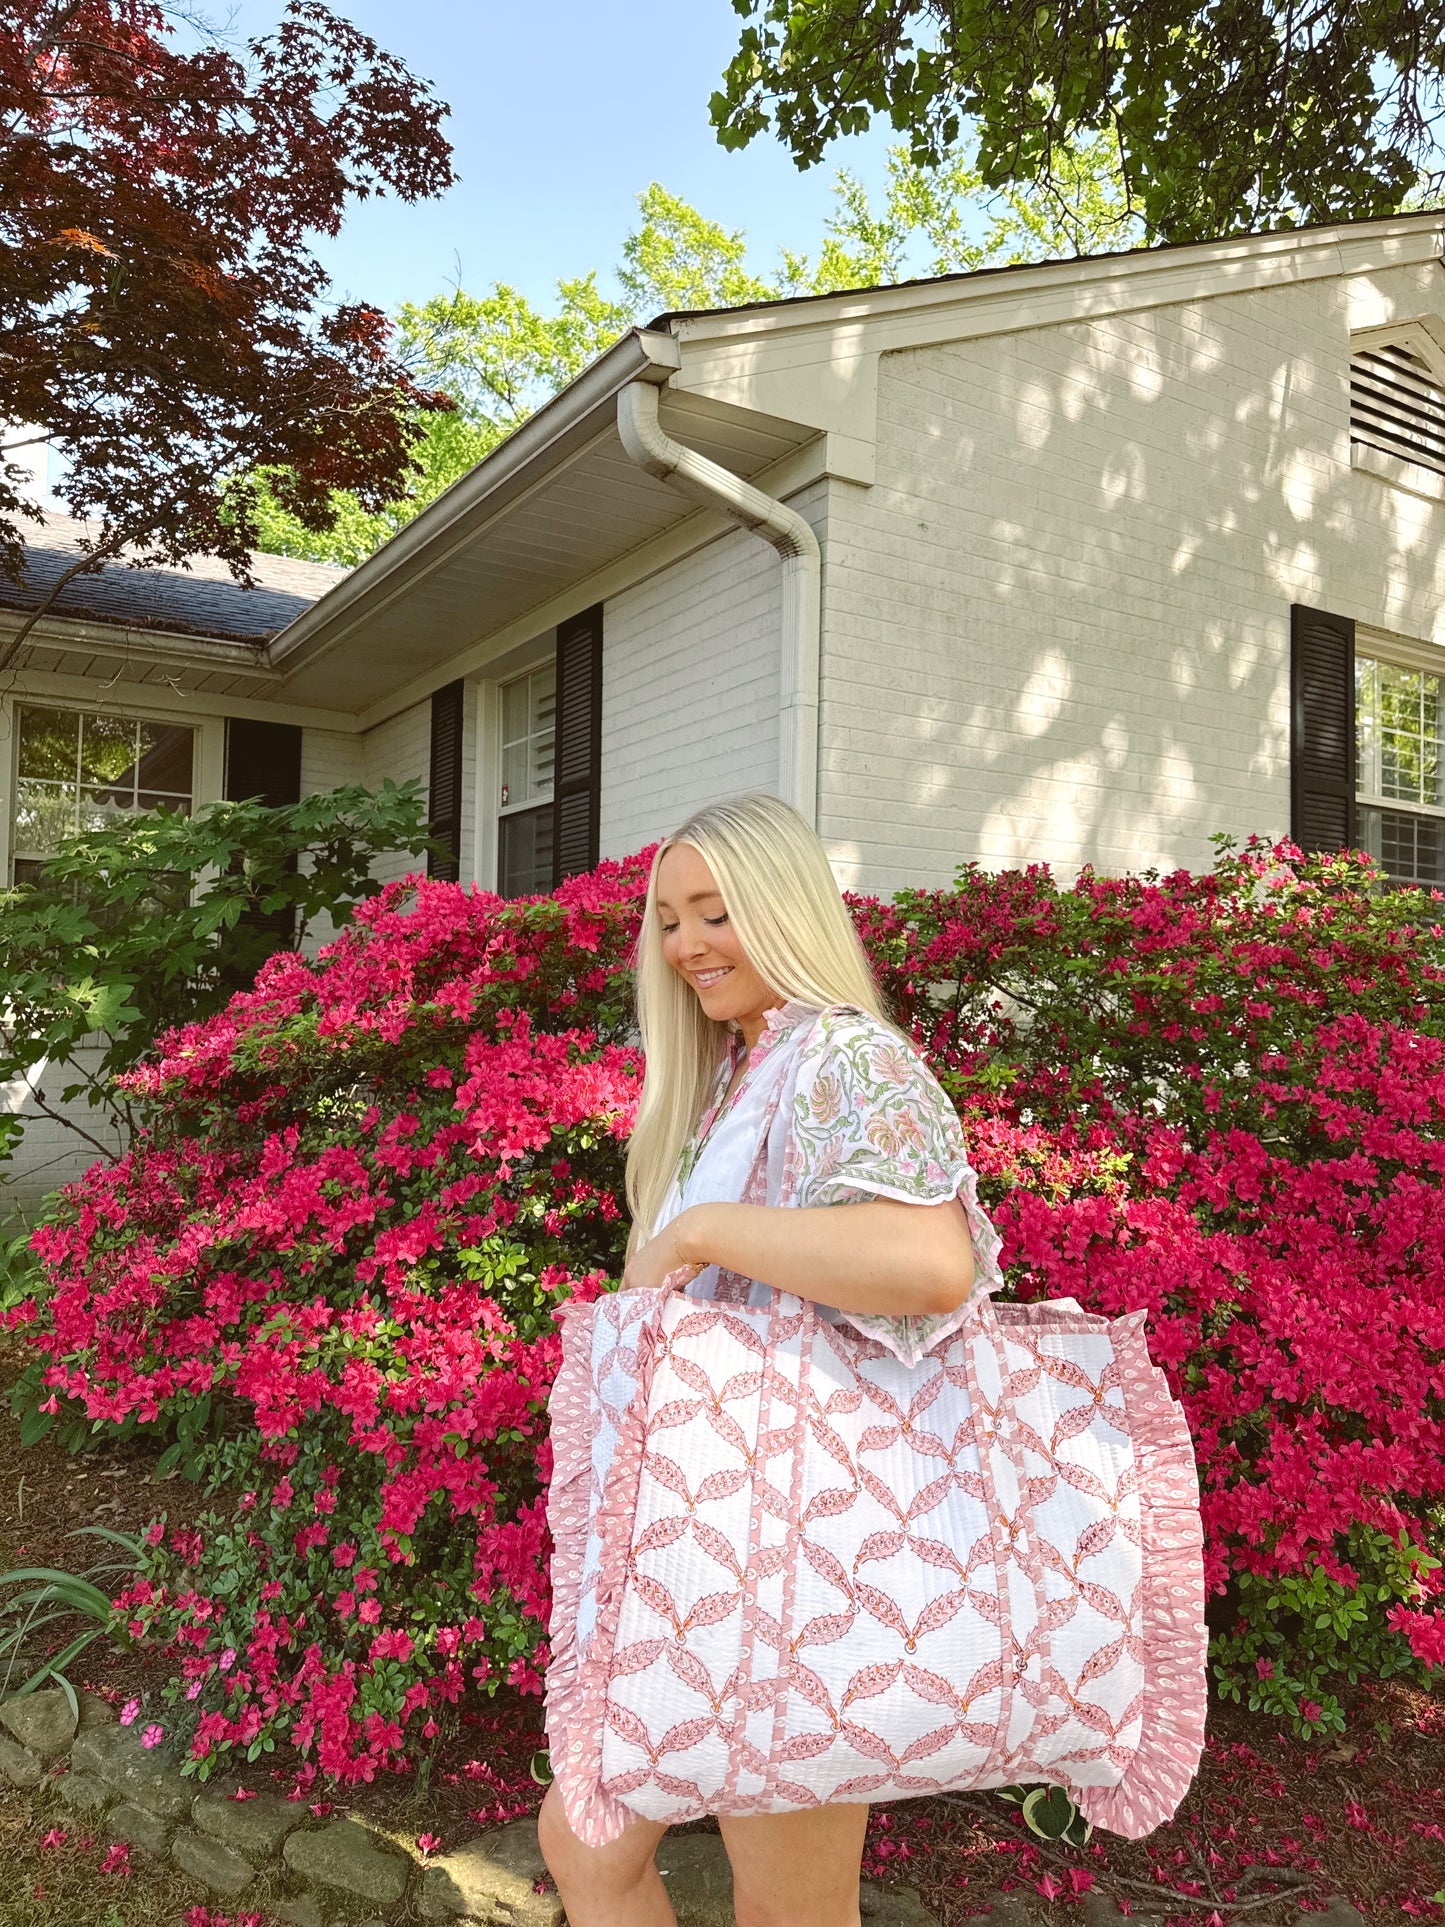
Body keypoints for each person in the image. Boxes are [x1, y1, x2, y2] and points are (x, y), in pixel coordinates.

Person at [539, 792, 1001, 1927]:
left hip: (797, 1557)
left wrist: (697, 1234)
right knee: (586, 1842)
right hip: (715, 1543)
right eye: (667, 921)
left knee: (787, 1908)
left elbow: (930, 1259)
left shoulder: (844, 1055)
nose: (688, 944)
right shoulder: (738, 1072)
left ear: (783, 909)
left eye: (716, 913)